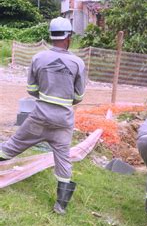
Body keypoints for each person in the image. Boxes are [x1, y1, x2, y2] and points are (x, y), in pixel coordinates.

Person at [0, 17, 86, 215]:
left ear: (52, 36)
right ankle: (60, 206)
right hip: (63, 122)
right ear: (68, 37)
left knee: (11, 148)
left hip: (39, 117)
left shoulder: (38, 58)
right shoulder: (77, 63)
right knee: (63, 161)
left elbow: (31, 89)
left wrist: (47, 95)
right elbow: (79, 96)